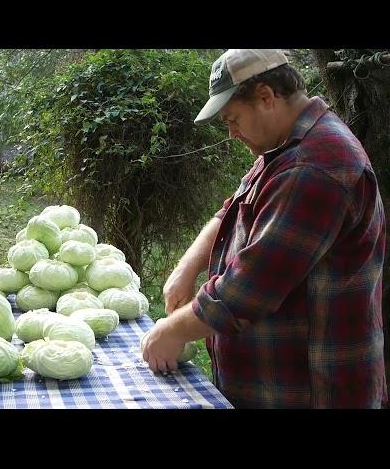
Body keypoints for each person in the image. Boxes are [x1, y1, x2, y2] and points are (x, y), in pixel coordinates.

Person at [142, 49, 387, 408]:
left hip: (313, 391)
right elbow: (233, 207)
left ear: (266, 97)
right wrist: (186, 267)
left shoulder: (315, 166)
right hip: (271, 385)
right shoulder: (287, 147)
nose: (231, 133)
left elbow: (248, 290)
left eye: (233, 118)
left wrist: (171, 329)